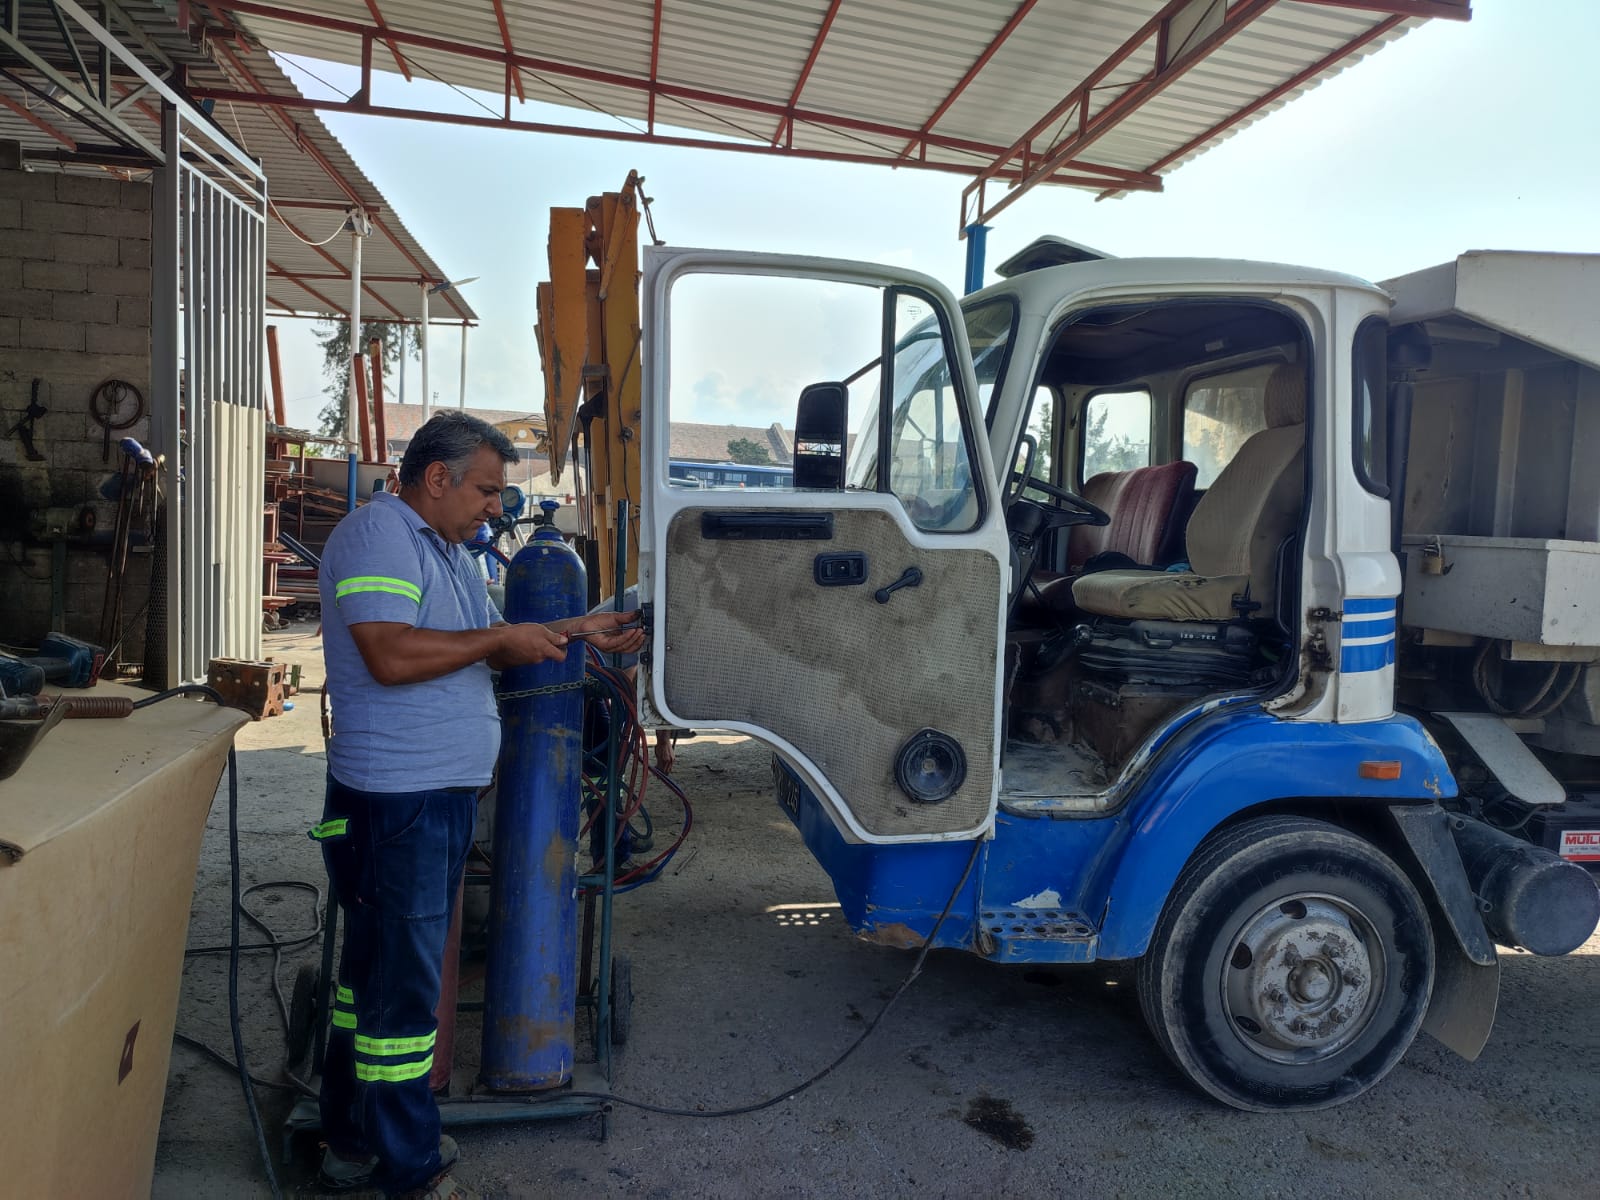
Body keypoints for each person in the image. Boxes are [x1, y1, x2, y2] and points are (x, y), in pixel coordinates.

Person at [311, 412, 643, 1199]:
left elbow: (492, 637)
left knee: (374, 983)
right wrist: (499, 643)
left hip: (428, 799)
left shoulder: (444, 551)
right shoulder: (380, 537)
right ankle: (410, 1170)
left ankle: (349, 1139)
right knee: (404, 998)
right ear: (437, 478)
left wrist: (579, 629)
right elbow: (389, 653)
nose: (497, 506)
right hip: (396, 803)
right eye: (487, 490)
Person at [588, 583, 676, 775]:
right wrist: (663, 742)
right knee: (606, 758)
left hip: (598, 673)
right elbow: (660, 675)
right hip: (581, 677)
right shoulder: (656, 602)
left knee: (612, 753)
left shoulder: (651, 589)